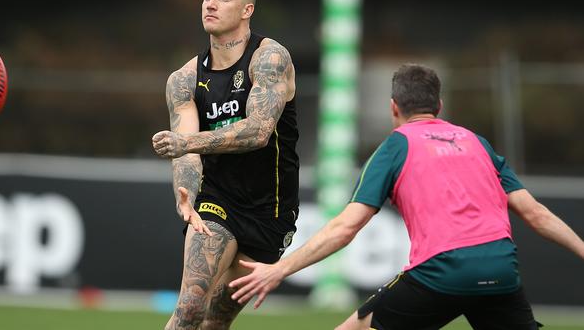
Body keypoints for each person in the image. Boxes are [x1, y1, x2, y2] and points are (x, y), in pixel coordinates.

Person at [229, 64, 584, 330]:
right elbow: (535, 214)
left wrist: (279, 270)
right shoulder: (478, 142)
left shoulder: (395, 147)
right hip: (500, 270)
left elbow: (345, 227)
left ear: (393, 107)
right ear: (439, 105)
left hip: (442, 272)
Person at [151, 0, 299, 330]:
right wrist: (183, 197)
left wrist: (187, 143)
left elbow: (258, 132)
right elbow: (186, 153)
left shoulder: (269, 59)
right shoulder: (184, 79)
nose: (211, 4)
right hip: (217, 200)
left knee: (215, 321)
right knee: (189, 309)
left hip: (271, 210)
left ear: (247, 9)